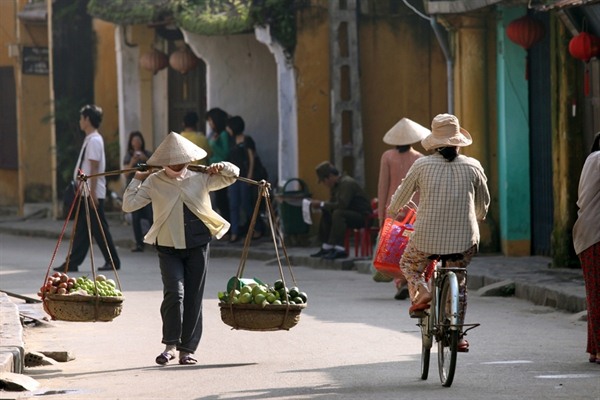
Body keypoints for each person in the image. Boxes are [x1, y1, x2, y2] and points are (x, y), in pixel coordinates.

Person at [122, 132, 239, 366]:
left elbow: (233, 176)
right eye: (172, 160)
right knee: (174, 294)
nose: (177, 164)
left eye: (182, 159)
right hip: (168, 246)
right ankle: (170, 346)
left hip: (198, 243)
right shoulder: (154, 181)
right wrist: (137, 178)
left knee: (194, 297)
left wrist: (221, 166)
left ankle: (188, 350)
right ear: (164, 161)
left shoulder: (201, 176)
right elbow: (128, 204)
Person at [387, 113, 490, 352]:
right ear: (457, 142)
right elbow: (483, 204)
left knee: (409, 264)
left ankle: (422, 291)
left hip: (426, 239)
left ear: (434, 142)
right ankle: (458, 333)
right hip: (464, 240)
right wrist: (477, 219)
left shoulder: (422, 165)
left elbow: (402, 195)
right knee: (459, 279)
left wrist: (392, 212)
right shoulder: (473, 166)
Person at [54, 104, 121, 272]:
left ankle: (112, 261)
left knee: (99, 229)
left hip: (91, 192)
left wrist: (91, 194)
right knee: (83, 230)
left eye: (82, 118)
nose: (80, 121)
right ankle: (72, 262)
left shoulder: (95, 140)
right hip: (86, 191)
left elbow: (94, 168)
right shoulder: (90, 139)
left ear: (88, 119)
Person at [376, 117, 430, 300]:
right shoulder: (420, 158)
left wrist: (381, 214)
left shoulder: (387, 157)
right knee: (411, 248)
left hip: (393, 209)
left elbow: (383, 186)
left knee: (394, 248)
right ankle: (407, 282)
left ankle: (399, 282)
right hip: (415, 209)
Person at [573, 132, 600, 365]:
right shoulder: (599, 159)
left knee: (595, 293)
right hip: (595, 234)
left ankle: (595, 349)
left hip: (587, 234)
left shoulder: (592, 159)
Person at [310, 161, 372, 260]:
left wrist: (321, 204)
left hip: (362, 217)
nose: (324, 184)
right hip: (349, 214)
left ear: (330, 177)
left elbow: (342, 205)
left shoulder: (347, 183)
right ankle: (327, 246)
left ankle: (340, 248)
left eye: (324, 181)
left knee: (338, 214)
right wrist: (322, 205)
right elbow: (332, 204)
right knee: (327, 211)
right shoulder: (336, 186)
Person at [225, 116, 266, 242]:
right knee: (233, 205)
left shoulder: (247, 140)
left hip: (245, 177)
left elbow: (251, 158)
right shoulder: (231, 141)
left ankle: (258, 228)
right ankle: (235, 233)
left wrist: (250, 174)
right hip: (233, 178)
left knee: (246, 204)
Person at [122, 131, 153, 252]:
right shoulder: (128, 156)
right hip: (134, 190)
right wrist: (132, 162)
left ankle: (155, 241)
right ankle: (139, 243)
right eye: (134, 141)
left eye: (139, 140)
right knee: (136, 218)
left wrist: (146, 159)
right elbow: (125, 174)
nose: (137, 143)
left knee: (151, 216)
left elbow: (155, 168)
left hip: (147, 189)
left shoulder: (148, 154)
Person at [206, 107, 231, 233]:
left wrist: (214, 144)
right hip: (213, 173)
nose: (210, 124)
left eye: (211, 120)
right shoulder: (214, 135)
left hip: (222, 172)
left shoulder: (224, 135)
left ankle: (227, 231)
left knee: (223, 201)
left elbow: (226, 154)